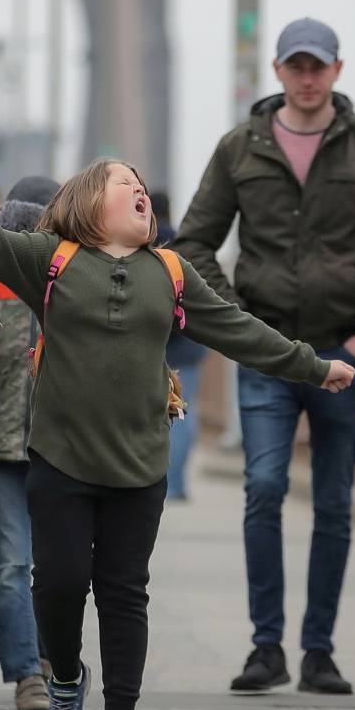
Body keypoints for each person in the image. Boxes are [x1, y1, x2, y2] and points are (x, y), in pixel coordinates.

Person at [0, 159, 355, 710]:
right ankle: (69, 681)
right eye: (122, 183)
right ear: (86, 204)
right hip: (60, 460)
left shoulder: (173, 273)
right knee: (60, 585)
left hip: (140, 466)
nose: (139, 192)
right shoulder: (52, 259)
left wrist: (313, 367)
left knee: (125, 593)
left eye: (142, 188)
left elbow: (237, 331)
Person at [175, 17, 355, 696]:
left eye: (318, 65)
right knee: (263, 487)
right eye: (296, 65)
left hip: (344, 351)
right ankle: (268, 647)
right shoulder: (240, 148)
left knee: (334, 499)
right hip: (267, 350)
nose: (308, 76)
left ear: (337, 71)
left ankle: (319, 649)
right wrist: (238, 320)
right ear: (278, 71)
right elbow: (195, 242)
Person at [0, 175, 61, 710]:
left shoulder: (70, 290)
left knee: (52, 565)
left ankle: (48, 663)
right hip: (3, 448)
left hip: (56, 447)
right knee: (13, 563)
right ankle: (27, 671)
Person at [152, 192, 206, 502]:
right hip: (188, 344)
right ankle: (177, 484)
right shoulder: (185, 246)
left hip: (154, 343)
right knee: (185, 410)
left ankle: (157, 479)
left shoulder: (142, 243)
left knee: (154, 412)